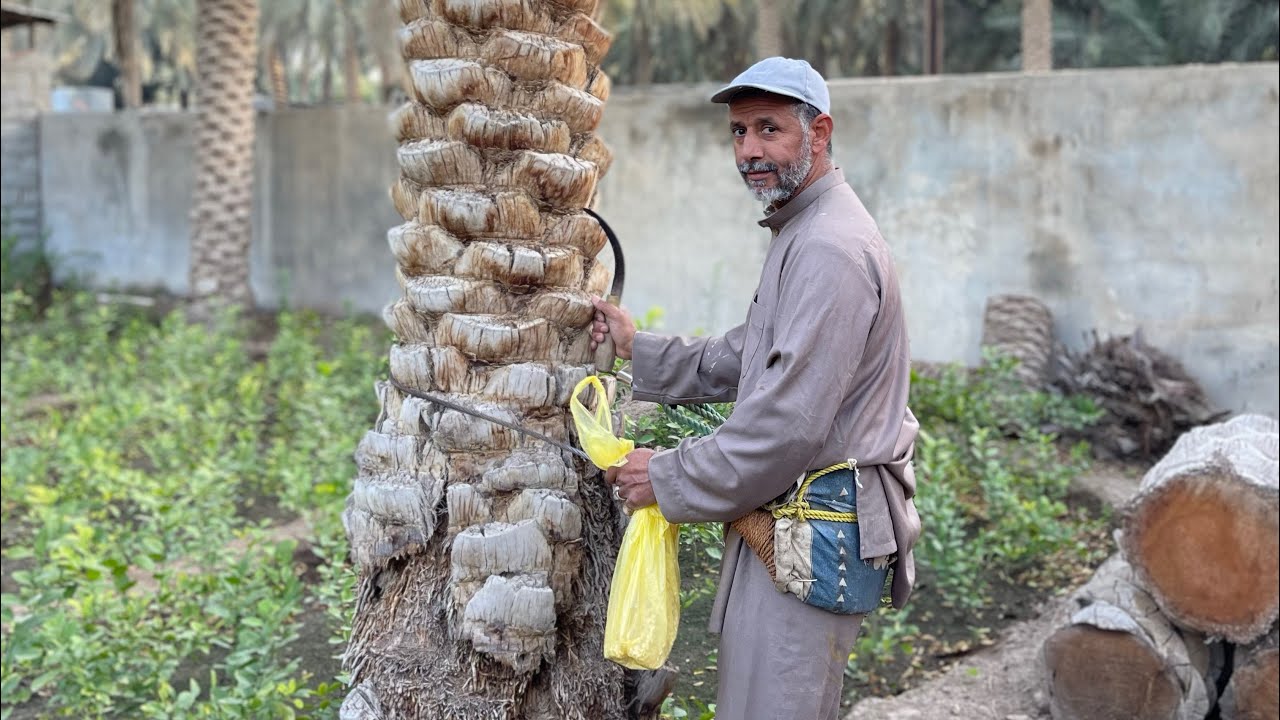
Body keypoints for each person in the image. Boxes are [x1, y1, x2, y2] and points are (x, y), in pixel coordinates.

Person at [589, 57, 921, 720]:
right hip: (792, 530)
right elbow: (749, 355)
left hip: (812, 531)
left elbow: (787, 423)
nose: (749, 151)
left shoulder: (828, 247)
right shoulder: (805, 229)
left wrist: (669, 476)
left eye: (769, 129)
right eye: (739, 133)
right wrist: (638, 347)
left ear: (818, 132)